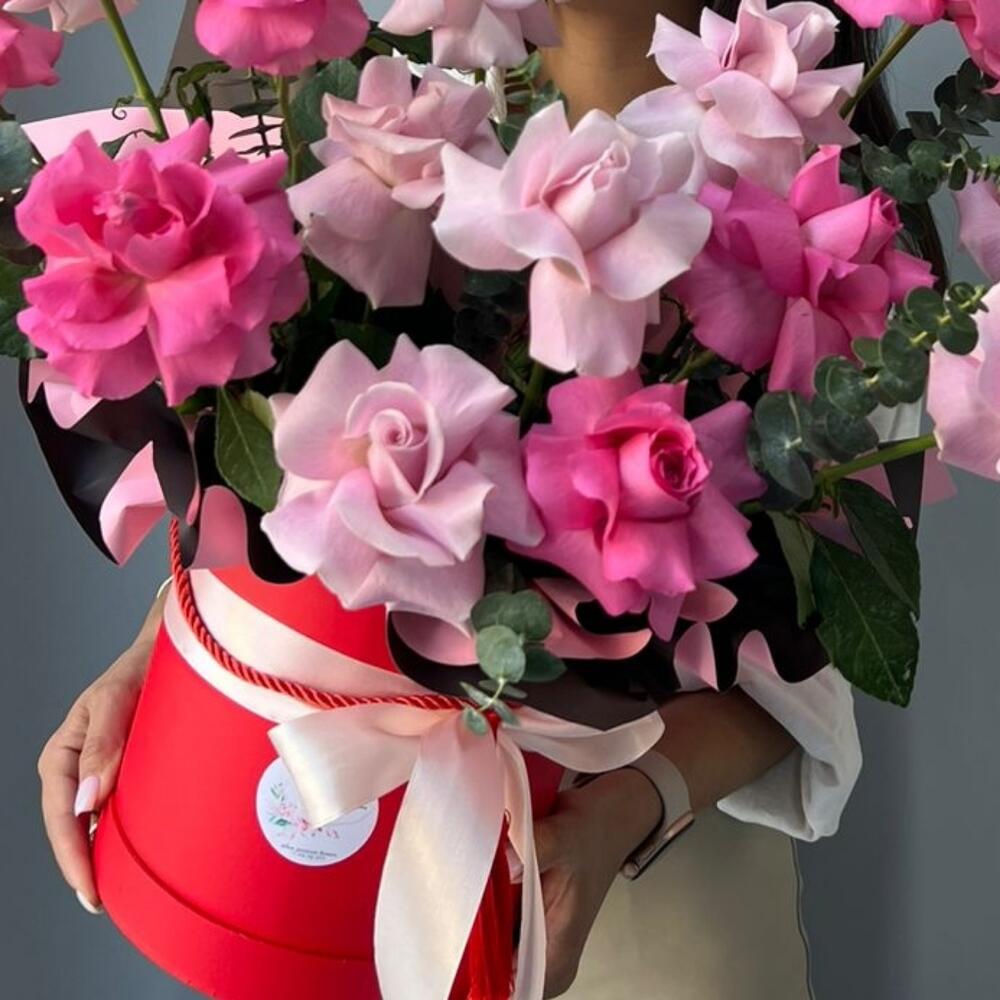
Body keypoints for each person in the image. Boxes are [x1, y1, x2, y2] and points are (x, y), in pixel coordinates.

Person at [36, 2, 941, 997]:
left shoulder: (831, 228)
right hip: (306, 859)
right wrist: (165, 648)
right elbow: (258, 476)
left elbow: (809, 659)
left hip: (625, 895)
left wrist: (621, 811)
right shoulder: (367, 102)